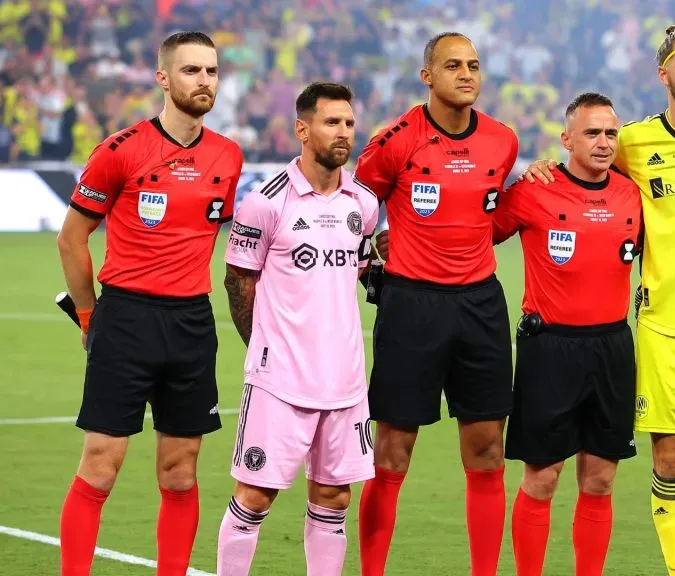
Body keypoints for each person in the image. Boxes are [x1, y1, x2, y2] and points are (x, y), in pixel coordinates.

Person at [521, 23, 675, 576]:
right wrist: (542, 166)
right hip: (664, 331)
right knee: (670, 460)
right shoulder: (633, 143)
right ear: (665, 75)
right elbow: (585, 170)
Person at [55, 31, 243, 576]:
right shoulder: (120, 150)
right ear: (163, 78)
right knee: (101, 463)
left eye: (210, 71)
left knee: (181, 470)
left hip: (190, 322)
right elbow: (71, 238)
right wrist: (90, 316)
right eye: (191, 71)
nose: (204, 81)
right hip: (127, 318)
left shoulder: (228, 156)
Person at [353, 32, 519, 576]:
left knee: (488, 450)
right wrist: (374, 247)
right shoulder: (397, 140)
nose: (466, 74)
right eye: (452, 65)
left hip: (480, 306)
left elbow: (489, 220)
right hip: (411, 305)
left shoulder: (502, 140)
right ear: (428, 77)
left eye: (473, 65)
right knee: (392, 453)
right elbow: (356, 206)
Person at [215, 82, 378, 575]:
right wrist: (266, 351)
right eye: (332, 122)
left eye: (349, 123)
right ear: (302, 130)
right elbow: (237, 282)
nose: (344, 132)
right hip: (280, 382)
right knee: (255, 496)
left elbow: (363, 268)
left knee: (334, 497)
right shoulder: (267, 203)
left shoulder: (363, 204)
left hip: (345, 381)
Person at [495, 92, 642, 576]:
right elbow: (479, 231)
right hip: (550, 349)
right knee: (541, 478)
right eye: (592, 133)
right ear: (566, 139)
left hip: (613, 348)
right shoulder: (535, 189)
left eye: (610, 133)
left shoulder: (631, 194)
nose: (603, 143)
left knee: (600, 480)